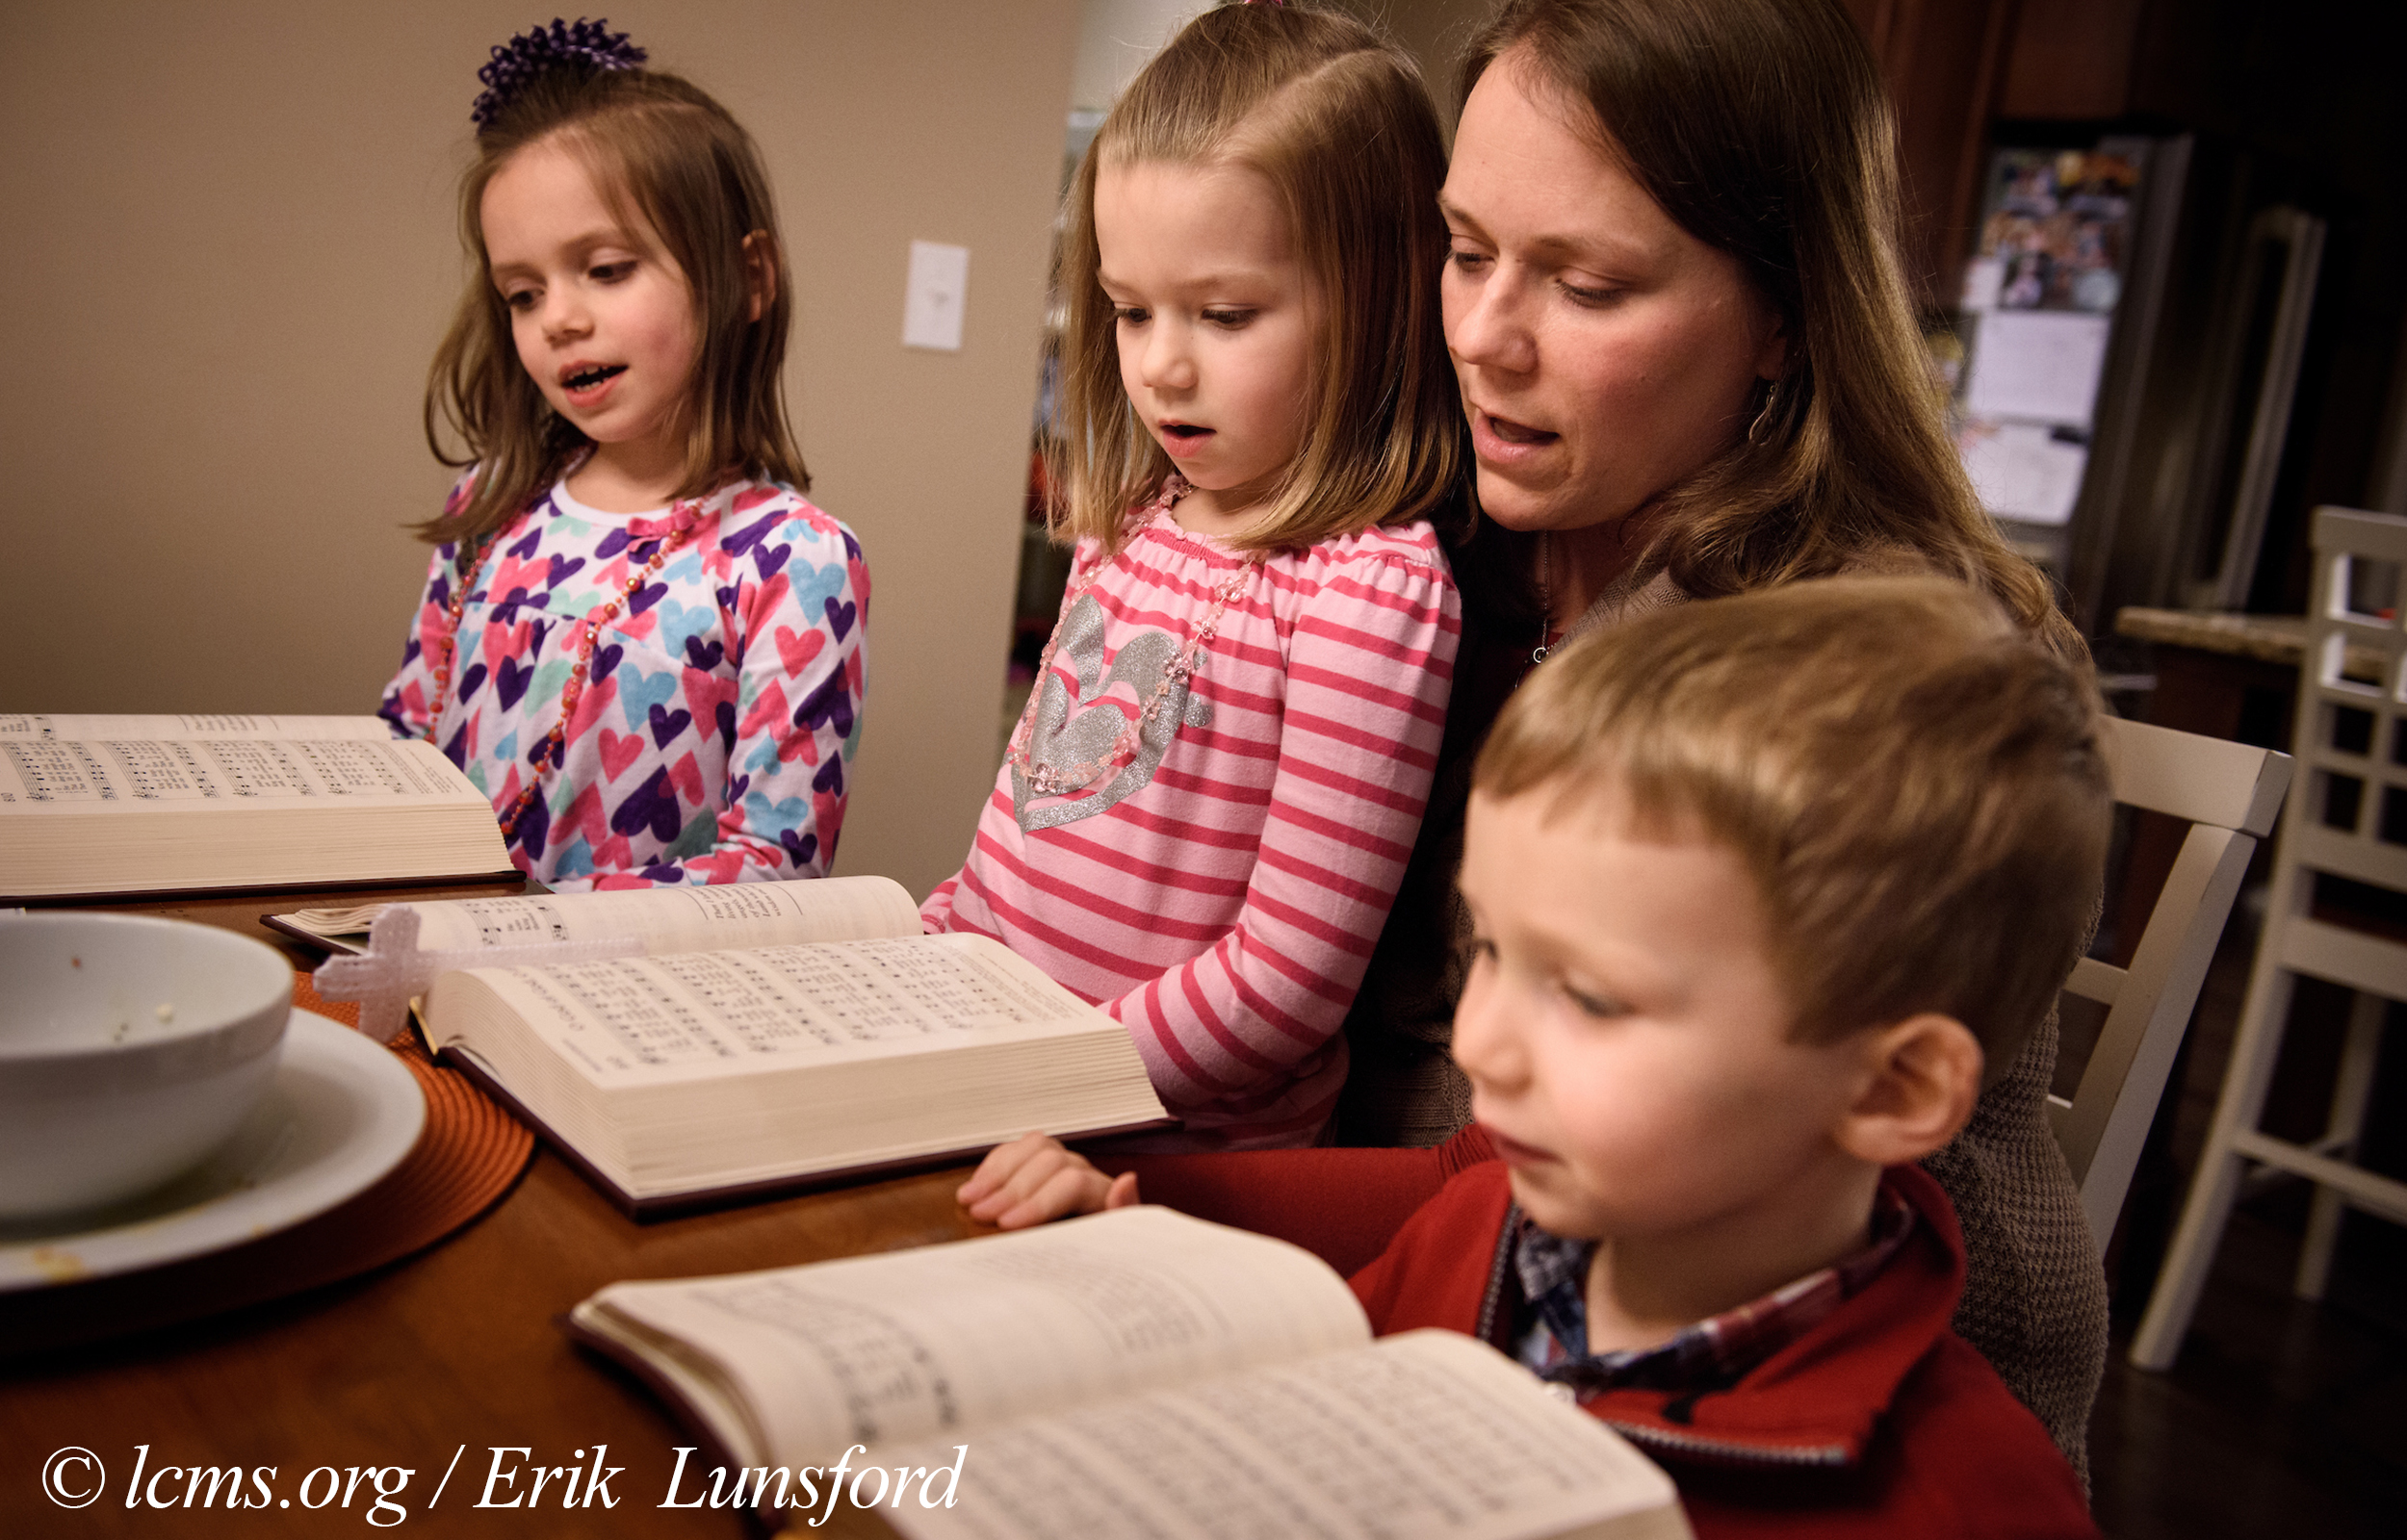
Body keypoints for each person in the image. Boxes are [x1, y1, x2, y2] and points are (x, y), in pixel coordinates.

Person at [1331, 0, 2109, 1476]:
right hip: (1461, 1287)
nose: (1486, 339)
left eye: (1591, 284)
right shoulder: (1450, 554)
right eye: (1469, 249)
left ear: (1785, 319)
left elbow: (1516, 1168)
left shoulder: (1860, 656)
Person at [960, 578, 2108, 1540]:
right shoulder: (1483, 1234)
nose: (1480, 1044)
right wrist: (1138, 1204)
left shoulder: (1967, 1499)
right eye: (1495, 951)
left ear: (1890, 1087)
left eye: (1594, 999)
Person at [920, 3, 1463, 1149]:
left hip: (1161, 1150)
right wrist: (937, 937)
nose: (1160, 366)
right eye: (1130, 310)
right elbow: (1030, 801)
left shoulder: (1368, 592)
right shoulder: (1129, 518)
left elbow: (1284, 980)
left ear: (1380, 300)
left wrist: (1052, 1076)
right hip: (997, 1076)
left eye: (1224, 314)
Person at [379, 19, 867, 891]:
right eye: (523, 294)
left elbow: (771, 866)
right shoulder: (487, 504)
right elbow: (405, 735)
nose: (559, 317)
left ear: (748, 278)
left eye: (604, 269)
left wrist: (532, 926)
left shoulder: (795, 561)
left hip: (619, 1008)